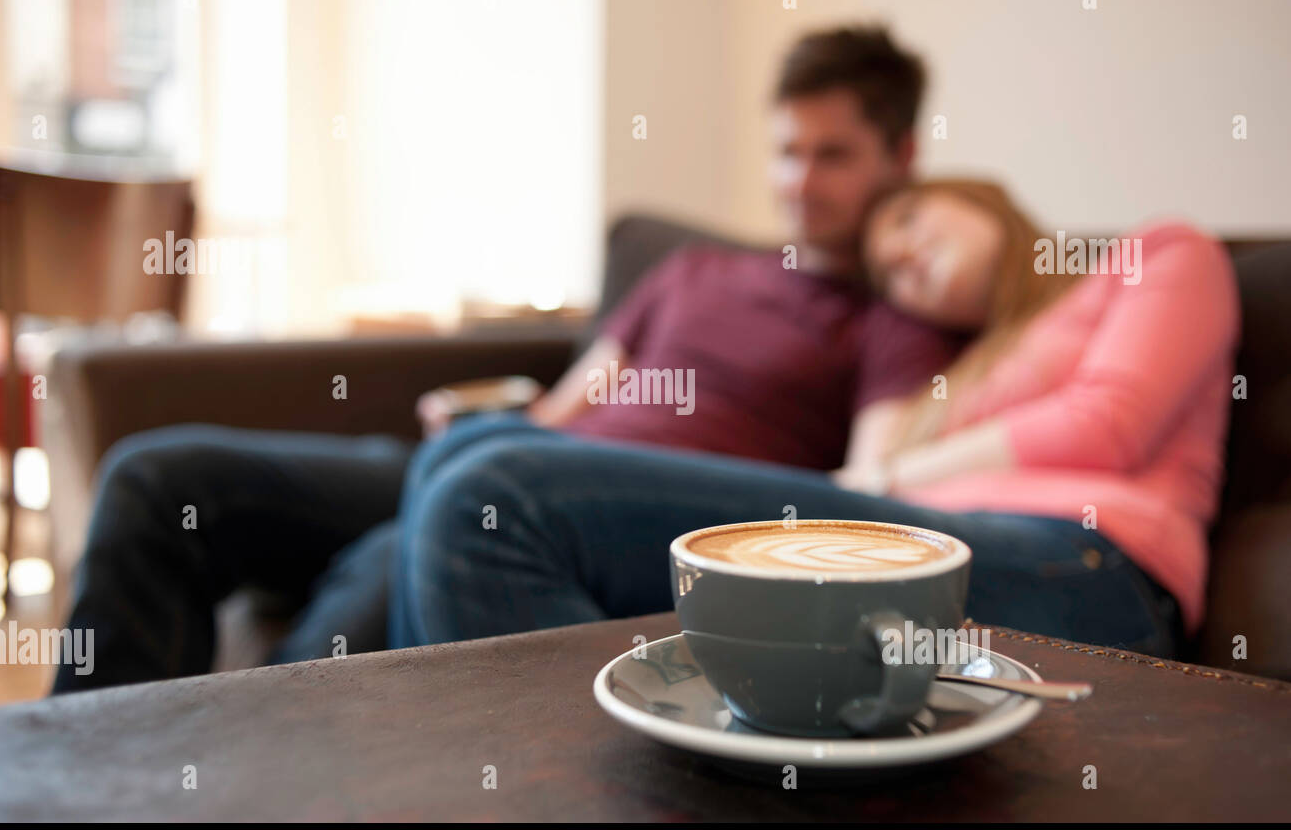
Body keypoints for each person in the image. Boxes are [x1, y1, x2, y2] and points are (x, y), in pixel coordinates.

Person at [53, 25, 961, 693]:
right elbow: (566, 410)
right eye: (786, 153)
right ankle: (85, 786)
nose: (799, 182)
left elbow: (867, 487)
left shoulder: (892, 320)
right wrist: (486, 418)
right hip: (498, 459)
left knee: (411, 540)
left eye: (832, 156)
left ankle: (225, 765)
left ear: (903, 155)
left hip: (569, 516)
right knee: (153, 476)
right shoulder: (693, 269)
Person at [384, 178, 1239, 660]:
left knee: (496, 490)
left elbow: (1111, 420)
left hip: (1086, 564)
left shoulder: (1159, 252)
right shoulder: (959, 362)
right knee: (470, 448)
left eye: (907, 217)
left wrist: (875, 481)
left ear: (988, 198)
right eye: (888, 273)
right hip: (938, 538)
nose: (900, 256)